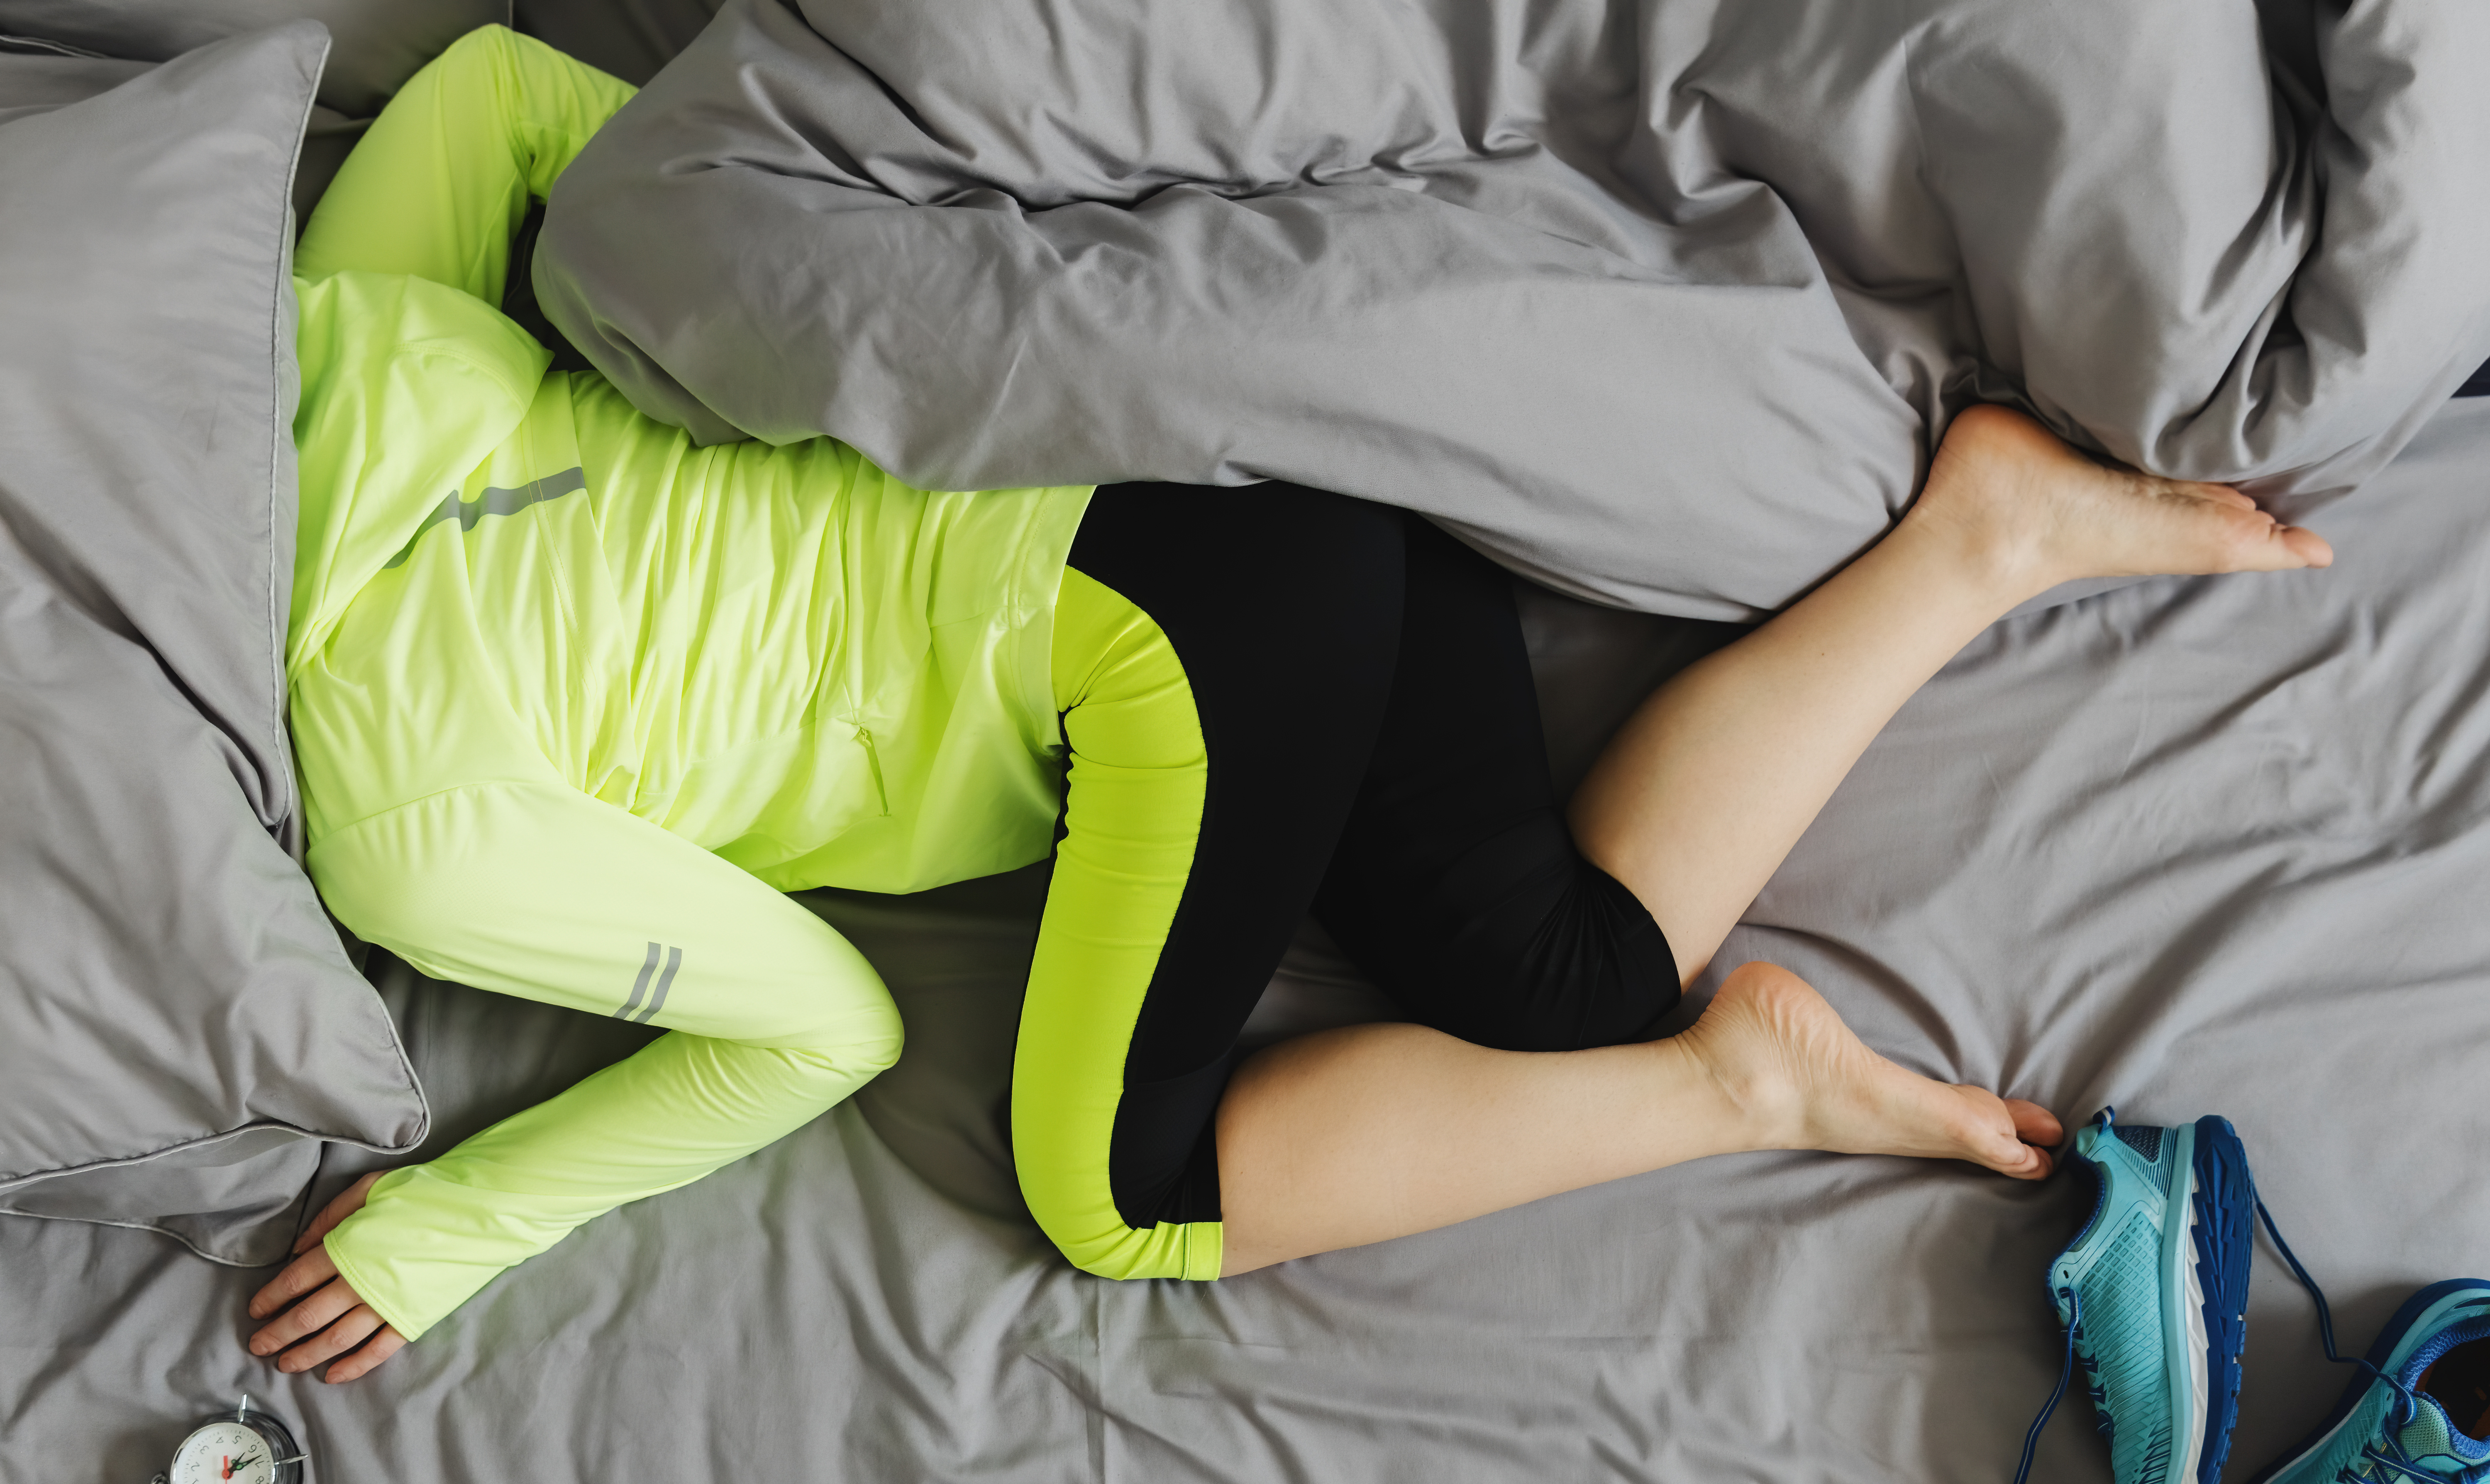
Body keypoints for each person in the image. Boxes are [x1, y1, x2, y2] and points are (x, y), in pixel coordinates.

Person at [247, 27, 2332, 1383]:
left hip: (1149, 629)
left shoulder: (397, 822)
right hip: (1210, 410)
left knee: (1120, 1200)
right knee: (1545, 965)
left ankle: (1748, 1078)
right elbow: (509, 100)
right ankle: (1984, 540)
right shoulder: (326, 320)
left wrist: (462, 1219)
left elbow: (827, 1028)